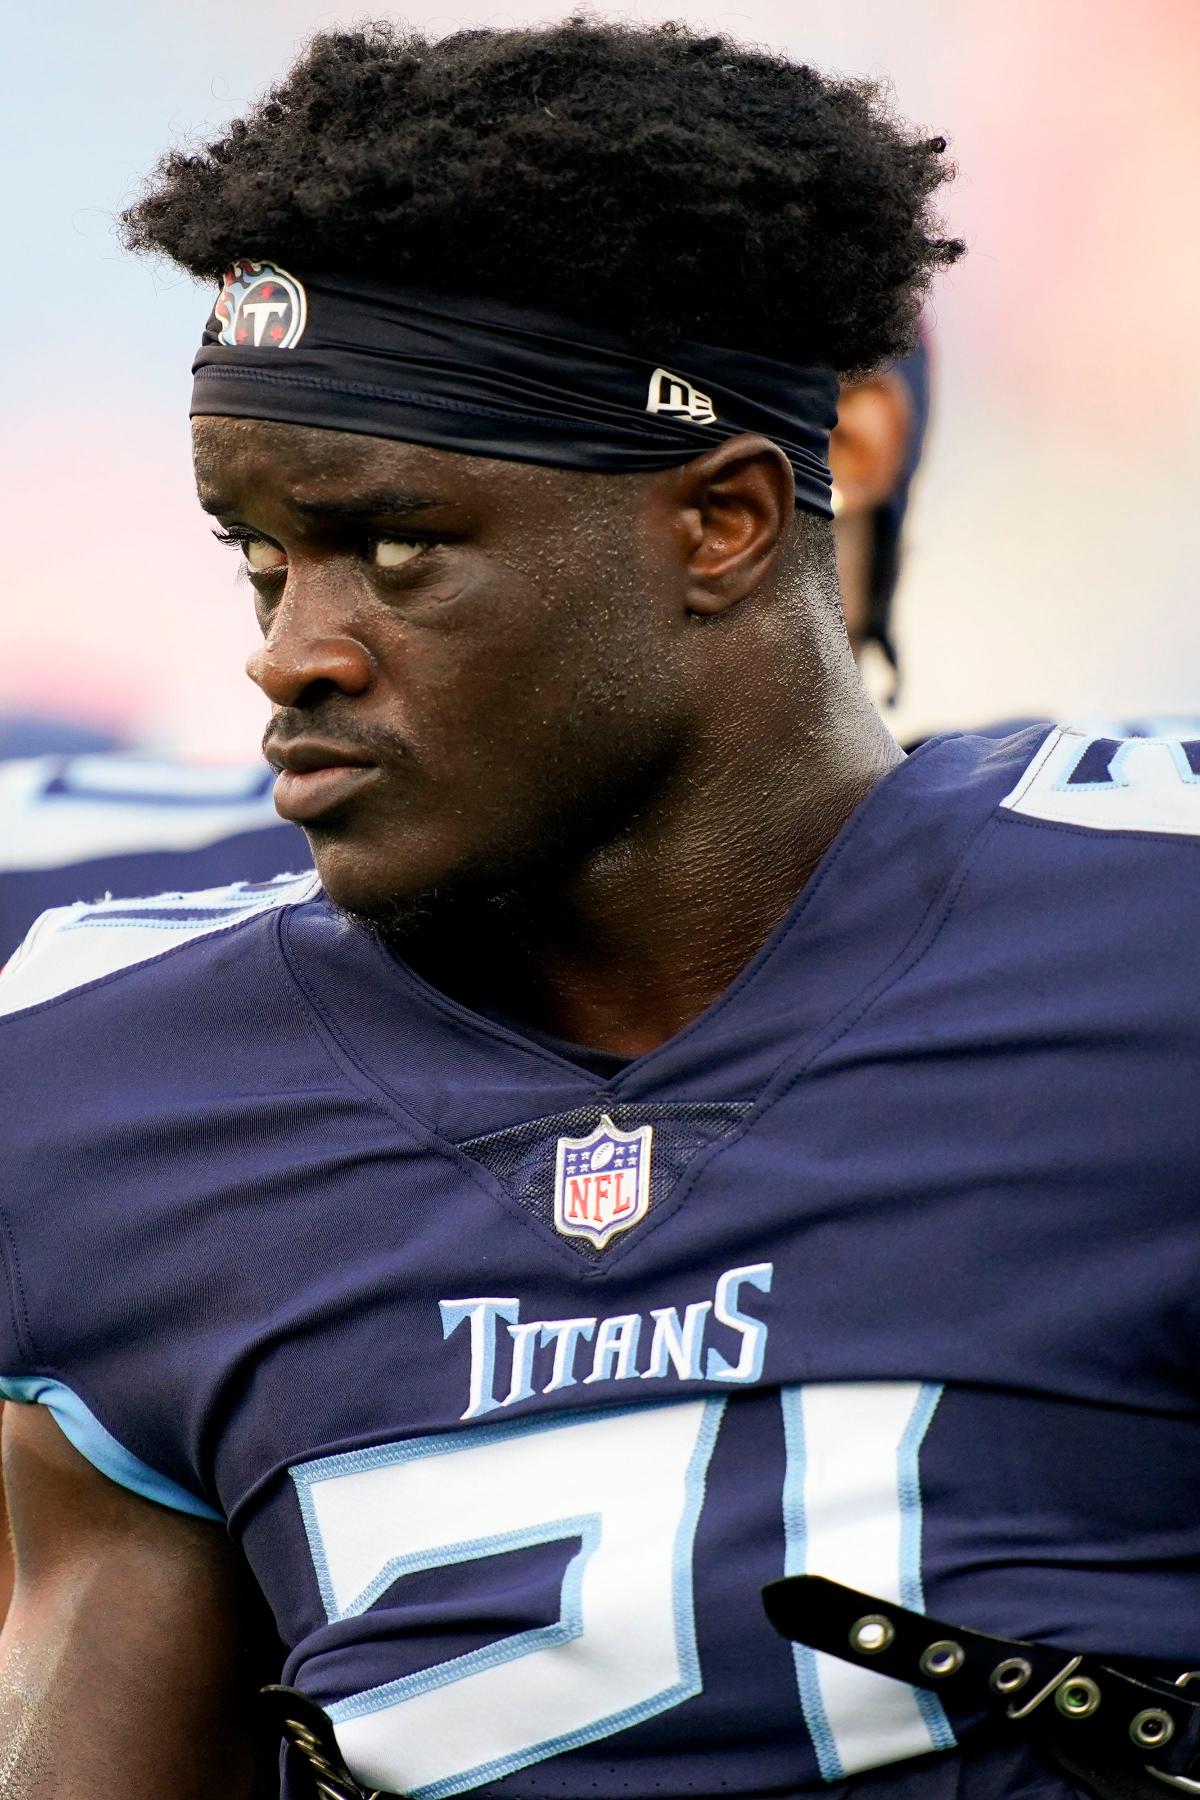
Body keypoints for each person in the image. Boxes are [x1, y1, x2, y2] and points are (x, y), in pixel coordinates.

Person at [3, 20, 1199, 1800]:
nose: (290, 649)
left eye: (396, 548)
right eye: (260, 557)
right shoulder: (108, 1089)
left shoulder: (1149, 952)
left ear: (719, 524)